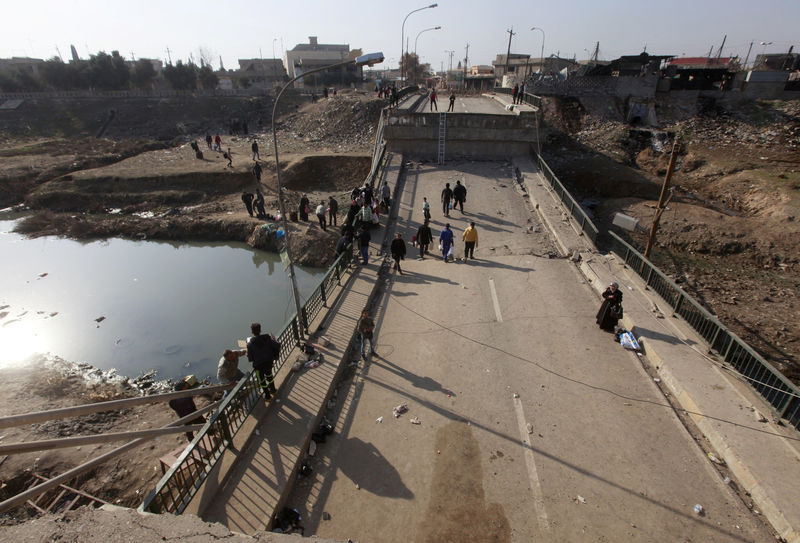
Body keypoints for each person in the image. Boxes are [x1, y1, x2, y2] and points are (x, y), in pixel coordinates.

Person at [247, 322, 280, 400]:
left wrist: (248, 354)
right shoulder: (267, 338)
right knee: (269, 375)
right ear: (260, 330)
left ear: (252, 332)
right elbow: (277, 345)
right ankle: (273, 390)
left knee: (262, 381)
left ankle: (267, 396)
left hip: (259, 366)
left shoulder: (250, 344)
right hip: (269, 362)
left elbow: (251, 359)